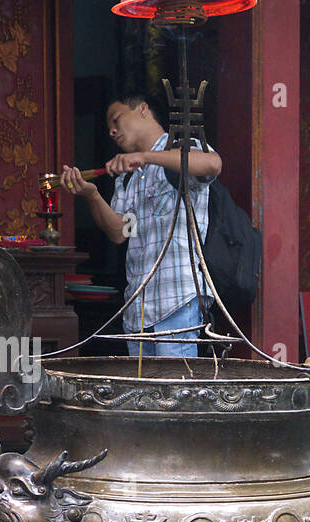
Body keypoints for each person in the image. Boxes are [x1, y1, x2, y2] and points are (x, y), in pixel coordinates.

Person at [60, 94, 222, 359]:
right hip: (138, 309)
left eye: (116, 119)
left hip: (177, 301)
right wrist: (92, 195)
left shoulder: (181, 148)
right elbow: (119, 232)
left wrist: (145, 156)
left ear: (144, 110)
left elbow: (212, 164)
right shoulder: (128, 177)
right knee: (142, 397)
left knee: (173, 393)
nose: (112, 131)